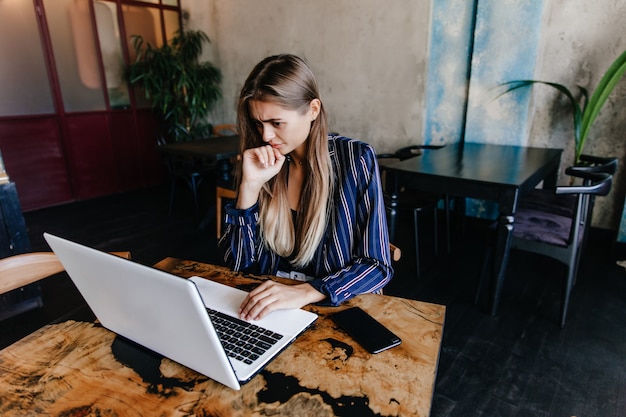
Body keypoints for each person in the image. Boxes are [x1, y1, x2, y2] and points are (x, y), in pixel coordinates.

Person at [218, 54, 392, 320]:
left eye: (276, 123)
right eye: (258, 123)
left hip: (334, 310)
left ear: (313, 110)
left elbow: (377, 266)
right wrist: (249, 187)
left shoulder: (355, 160)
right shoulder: (263, 161)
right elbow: (238, 265)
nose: (265, 136)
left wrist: (307, 291)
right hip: (270, 313)